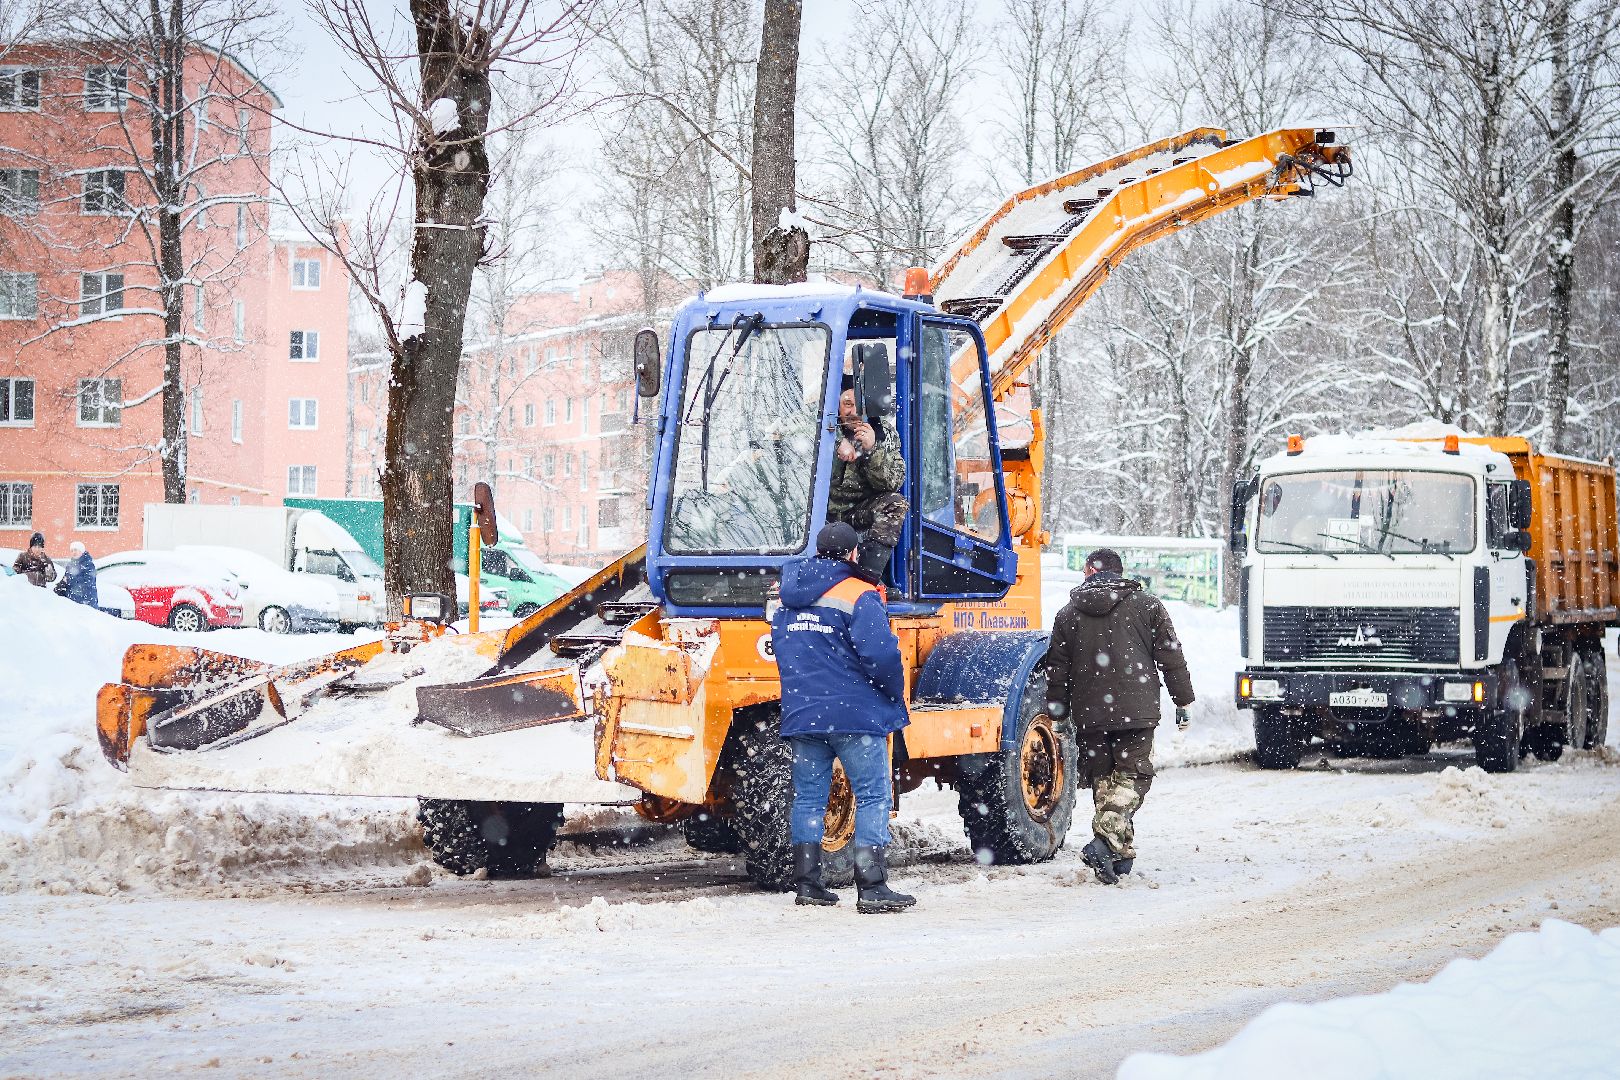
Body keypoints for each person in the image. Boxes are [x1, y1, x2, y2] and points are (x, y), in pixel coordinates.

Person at [770, 521, 915, 913]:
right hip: (854, 714)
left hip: (803, 713)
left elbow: (785, 653)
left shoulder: (786, 599)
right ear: (853, 554)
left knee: (809, 799)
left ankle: (808, 883)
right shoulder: (859, 593)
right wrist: (891, 692)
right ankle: (871, 886)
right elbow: (881, 656)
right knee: (872, 795)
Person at [1045, 548, 1195, 885]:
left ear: (1088, 571)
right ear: (1120, 572)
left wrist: (1058, 713)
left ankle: (1118, 853)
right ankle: (1104, 841)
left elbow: (1057, 671)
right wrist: (1182, 700)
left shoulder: (1067, 614)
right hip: (1135, 708)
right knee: (1134, 775)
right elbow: (1171, 657)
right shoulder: (1148, 606)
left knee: (1104, 779)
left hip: (1090, 712)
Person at [828, 382, 906, 582]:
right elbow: (789, 431)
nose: (853, 412)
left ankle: (867, 578)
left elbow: (892, 482)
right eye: (847, 404)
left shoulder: (883, 432)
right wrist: (835, 441)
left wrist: (871, 450)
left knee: (894, 503)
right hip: (820, 512)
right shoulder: (823, 423)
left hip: (855, 513)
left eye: (858, 405)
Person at [58, 541, 99, 609]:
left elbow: (88, 581)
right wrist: (61, 586)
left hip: (87, 601)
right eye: (72, 551)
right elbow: (66, 578)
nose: (74, 552)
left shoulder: (88, 564)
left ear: (81, 551)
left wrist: (70, 580)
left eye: (76, 550)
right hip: (73, 601)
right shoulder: (70, 565)